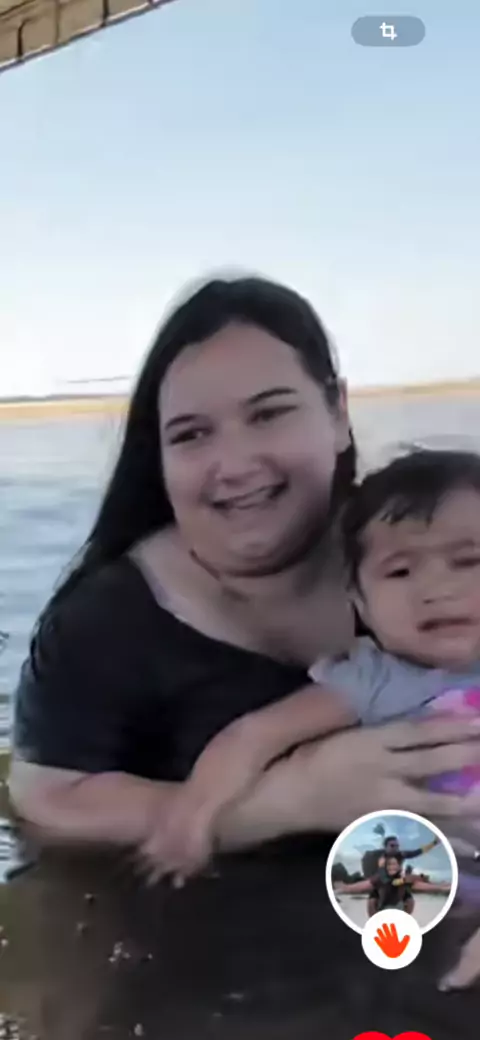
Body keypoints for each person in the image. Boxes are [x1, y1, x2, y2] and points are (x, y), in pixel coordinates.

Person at [8, 276, 480, 993]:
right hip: (226, 949)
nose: (234, 464)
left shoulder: (416, 548)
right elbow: (45, 804)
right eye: (191, 434)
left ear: (338, 413)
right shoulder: (102, 624)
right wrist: (285, 802)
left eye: (270, 413)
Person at [149, 450, 480, 884]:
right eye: (400, 571)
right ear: (360, 602)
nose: (437, 588)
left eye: (468, 561)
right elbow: (253, 736)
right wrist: (193, 818)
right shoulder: (371, 680)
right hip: (423, 886)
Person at [334, 853, 451, 917]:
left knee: (410, 897)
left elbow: (419, 885)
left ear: (399, 867)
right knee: (372, 897)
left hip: (398, 907)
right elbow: (363, 885)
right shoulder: (380, 878)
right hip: (381, 908)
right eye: (389, 865)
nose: (392, 867)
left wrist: (440, 887)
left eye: (395, 865)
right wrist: (345, 888)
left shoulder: (403, 879)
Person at [361, 833, 440, 880]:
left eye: (397, 846)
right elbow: (366, 857)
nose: (395, 848)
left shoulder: (401, 854)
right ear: (385, 846)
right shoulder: (377, 854)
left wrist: (434, 843)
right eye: (392, 846)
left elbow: (417, 852)